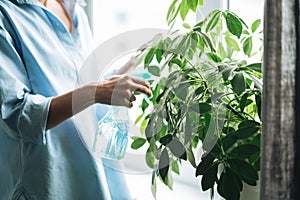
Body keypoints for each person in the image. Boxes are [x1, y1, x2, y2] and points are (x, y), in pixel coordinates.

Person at [0, 0, 152, 199]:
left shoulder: (76, 11)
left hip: (90, 171)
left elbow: (81, 84)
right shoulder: (6, 14)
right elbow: (17, 115)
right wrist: (96, 92)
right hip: (47, 180)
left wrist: (129, 66)